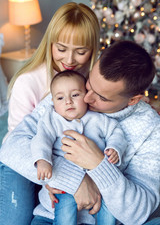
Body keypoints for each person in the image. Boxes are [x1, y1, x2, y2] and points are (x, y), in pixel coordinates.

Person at [0, 41, 160, 225]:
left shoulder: (151, 128)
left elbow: (138, 211)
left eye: (101, 97)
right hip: (52, 215)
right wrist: (75, 180)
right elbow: (11, 146)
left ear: (133, 100)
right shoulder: (69, 93)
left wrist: (98, 164)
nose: (86, 97)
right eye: (90, 83)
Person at [0, 2, 100, 225]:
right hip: (25, 159)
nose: (70, 60)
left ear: (92, 49)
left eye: (81, 52)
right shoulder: (28, 81)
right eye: (62, 49)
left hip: (65, 157)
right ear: (50, 43)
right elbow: (17, 145)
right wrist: (65, 179)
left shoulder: (95, 78)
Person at [31, 70, 127, 225]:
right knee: (65, 209)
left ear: (86, 96)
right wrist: (42, 160)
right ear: (53, 102)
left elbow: (116, 133)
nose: (68, 101)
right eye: (60, 98)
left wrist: (115, 148)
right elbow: (41, 139)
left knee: (110, 209)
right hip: (66, 181)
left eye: (75, 95)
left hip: (100, 178)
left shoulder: (99, 119)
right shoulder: (52, 119)